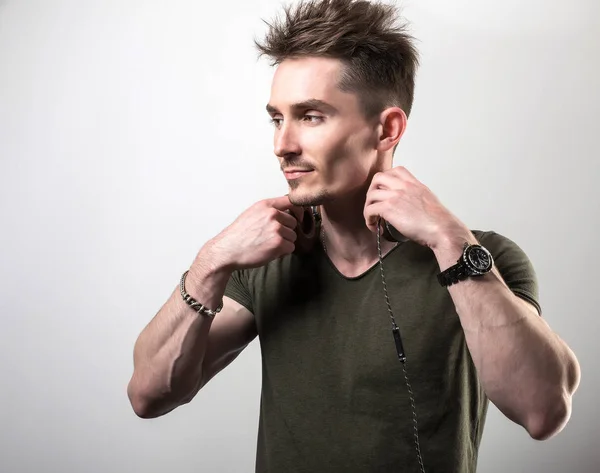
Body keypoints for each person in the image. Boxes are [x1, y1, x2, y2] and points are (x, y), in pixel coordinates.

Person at [127, 0, 581, 472]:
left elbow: (542, 409)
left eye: (311, 116)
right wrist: (211, 263)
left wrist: (450, 240)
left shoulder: (477, 258)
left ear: (386, 129)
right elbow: (149, 393)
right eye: (277, 118)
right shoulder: (267, 262)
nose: (282, 145)